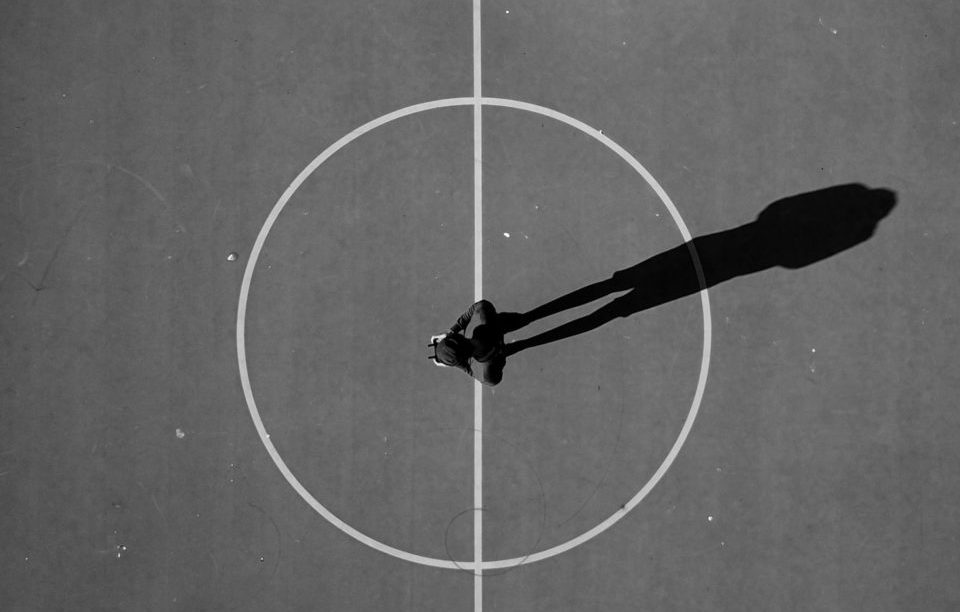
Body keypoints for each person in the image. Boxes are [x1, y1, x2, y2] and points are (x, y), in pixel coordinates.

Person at [429, 300, 507, 386]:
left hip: (499, 355)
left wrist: (453, 362)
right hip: (499, 327)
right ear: (458, 337)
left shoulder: (485, 374)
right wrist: (452, 330)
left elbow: (493, 380)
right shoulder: (481, 317)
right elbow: (482, 305)